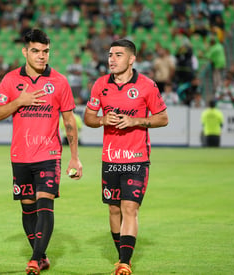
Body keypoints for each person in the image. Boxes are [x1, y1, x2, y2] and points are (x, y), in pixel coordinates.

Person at [0, 29, 83, 275]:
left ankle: (35, 259)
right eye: (36, 51)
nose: (41, 56)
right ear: (25, 51)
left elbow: (69, 121)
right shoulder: (10, 80)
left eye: (45, 51)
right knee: (27, 208)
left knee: (45, 204)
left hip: (49, 155)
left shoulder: (60, 81)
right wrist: (19, 101)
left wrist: (74, 156)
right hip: (20, 156)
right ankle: (41, 256)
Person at [83, 39, 168, 275]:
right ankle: (121, 255)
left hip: (137, 158)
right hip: (110, 159)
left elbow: (162, 118)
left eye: (118, 55)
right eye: (110, 54)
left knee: (129, 208)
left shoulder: (147, 85)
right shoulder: (100, 85)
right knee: (113, 210)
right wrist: (102, 120)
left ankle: (124, 263)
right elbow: (88, 117)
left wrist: (136, 120)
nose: (111, 59)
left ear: (132, 59)